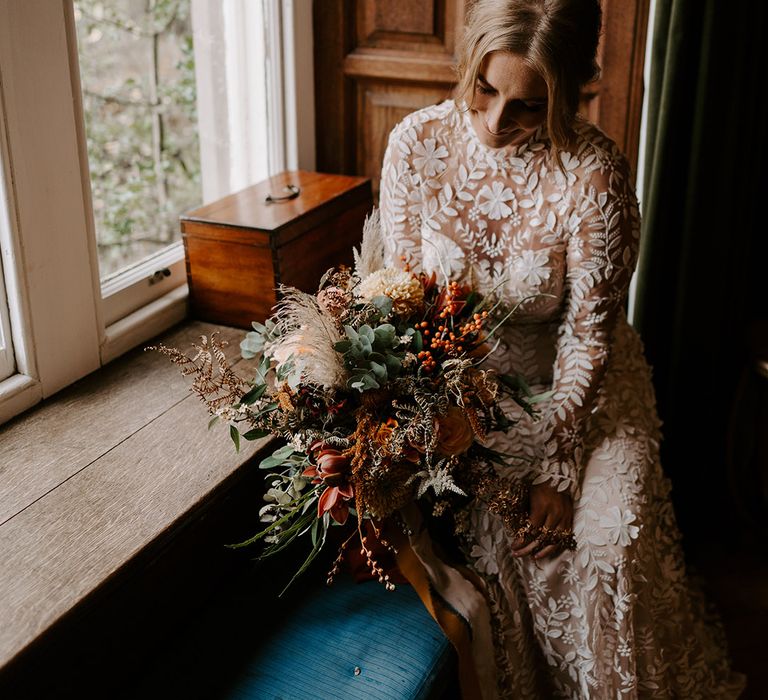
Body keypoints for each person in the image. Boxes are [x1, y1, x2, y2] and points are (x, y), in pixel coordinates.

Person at [378, 0, 747, 697]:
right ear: (469, 65)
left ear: (569, 93)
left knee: (606, 539)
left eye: (526, 105)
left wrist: (558, 465)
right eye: (485, 90)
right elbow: (409, 305)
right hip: (472, 398)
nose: (495, 122)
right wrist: (453, 421)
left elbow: (587, 333)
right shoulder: (416, 146)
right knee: (508, 540)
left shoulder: (595, 176)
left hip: (582, 392)